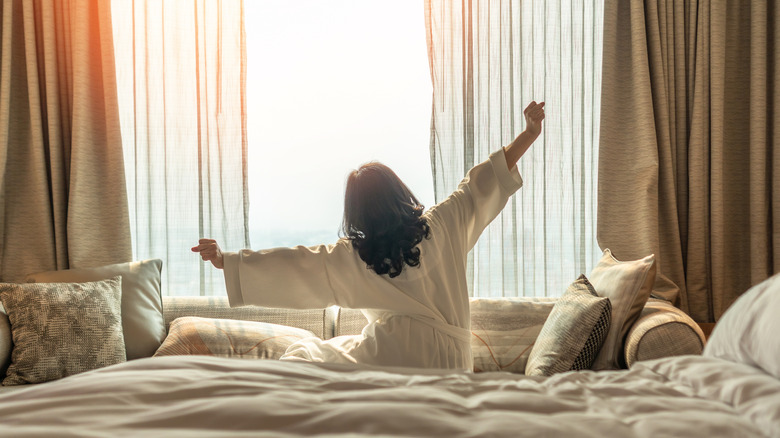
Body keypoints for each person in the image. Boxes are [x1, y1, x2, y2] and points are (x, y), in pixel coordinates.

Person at [192, 101, 545, 371]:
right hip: (453, 362)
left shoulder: (355, 256)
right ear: (399, 191)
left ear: (356, 212)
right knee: (319, 353)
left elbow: (297, 264)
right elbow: (481, 183)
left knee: (304, 355)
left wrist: (229, 261)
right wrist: (528, 134)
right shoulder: (444, 223)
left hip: (393, 358)